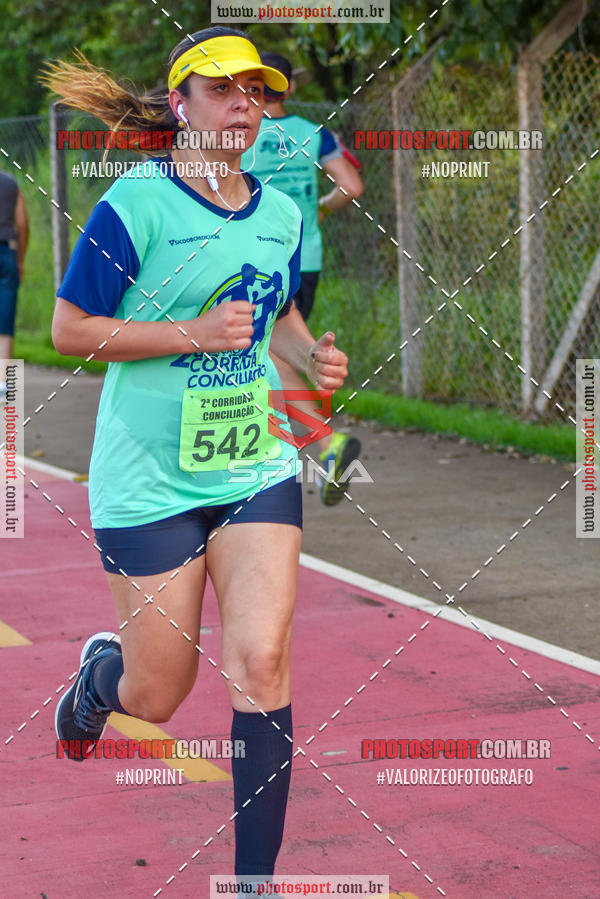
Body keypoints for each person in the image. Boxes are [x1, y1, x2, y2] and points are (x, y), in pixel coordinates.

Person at [42, 26, 350, 880]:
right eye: (223, 89)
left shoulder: (281, 212)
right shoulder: (136, 203)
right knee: (158, 694)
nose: (243, 103)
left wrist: (308, 358)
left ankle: (255, 879)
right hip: (150, 479)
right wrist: (187, 331)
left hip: (253, 466)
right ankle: (101, 678)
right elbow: (68, 330)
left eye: (255, 90)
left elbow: (275, 317)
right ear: (181, 106)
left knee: (262, 661)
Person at [241, 52, 364, 506]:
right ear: (289, 88)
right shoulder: (314, 134)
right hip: (303, 256)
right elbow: (352, 187)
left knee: (270, 357)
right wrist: (318, 210)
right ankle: (311, 450)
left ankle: (313, 448)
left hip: (253, 261)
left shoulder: (240, 135)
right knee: (282, 354)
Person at [0, 170, 28, 398]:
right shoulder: (10, 183)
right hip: (6, 253)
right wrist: (19, 260)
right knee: (5, 322)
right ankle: (3, 384)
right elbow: (22, 224)